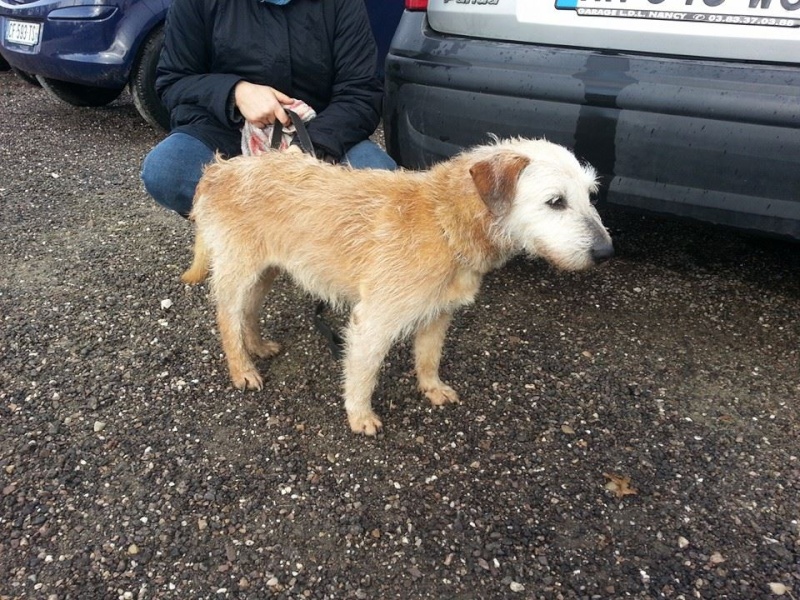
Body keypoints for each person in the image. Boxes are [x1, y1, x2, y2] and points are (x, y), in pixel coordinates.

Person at [141, 0, 396, 218]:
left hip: (321, 130)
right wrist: (235, 92)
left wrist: (310, 146)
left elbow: (360, 92)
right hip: (225, 129)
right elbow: (174, 82)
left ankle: (308, 246)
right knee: (167, 170)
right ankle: (250, 238)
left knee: (382, 184)